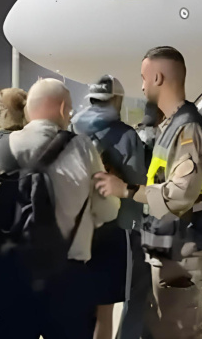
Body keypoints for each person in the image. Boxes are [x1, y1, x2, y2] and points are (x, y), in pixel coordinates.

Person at [0, 78, 120, 339]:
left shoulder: (0, 150)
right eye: (69, 109)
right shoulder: (82, 148)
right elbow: (107, 212)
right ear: (61, 109)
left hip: (9, 280)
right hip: (67, 280)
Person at [95, 46, 202, 339]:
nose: (141, 86)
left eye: (143, 78)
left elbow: (180, 194)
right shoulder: (171, 125)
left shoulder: (187, 128)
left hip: (181, 247)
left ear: (157, 77)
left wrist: (126, 189)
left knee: (179, 331)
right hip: (168, 245)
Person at [70, 75, 150, 339]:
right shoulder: (127, 136)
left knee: (82, 304)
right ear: (117, 100)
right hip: (120, 229)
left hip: (77, 227)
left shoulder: (73, 131)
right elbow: (136, 183)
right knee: (126, 298)